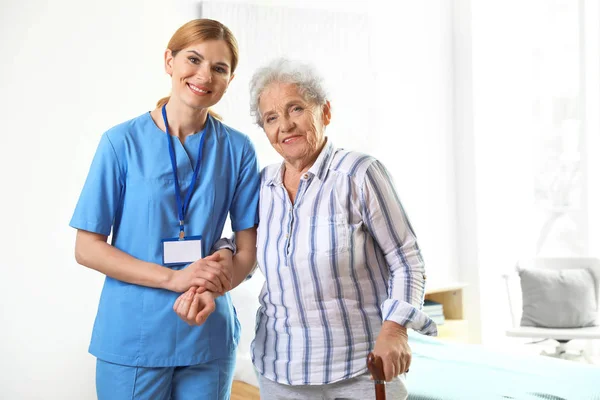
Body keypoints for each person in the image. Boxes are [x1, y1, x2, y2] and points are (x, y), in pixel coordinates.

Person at [176, 58, 437, 400]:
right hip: (279, 372)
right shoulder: (262, 185)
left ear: (324, 112)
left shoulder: (358, 174)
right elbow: (244, 249)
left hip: (358, 370)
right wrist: (213, 274)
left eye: (295, 108)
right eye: (271, 118)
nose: (284, 125)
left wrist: (395, 329)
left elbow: (407, 259)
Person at [70, 19, 259, 400]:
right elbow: (87, 247)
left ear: (229, 80)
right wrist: (173, 280)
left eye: (219, 68)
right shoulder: (121, 143)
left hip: (208, 330)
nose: (204, 75)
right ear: (169, 61)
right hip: (135, 333)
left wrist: (216, 285)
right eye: (193, 59)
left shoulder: (238, 150)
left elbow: (248, 252)